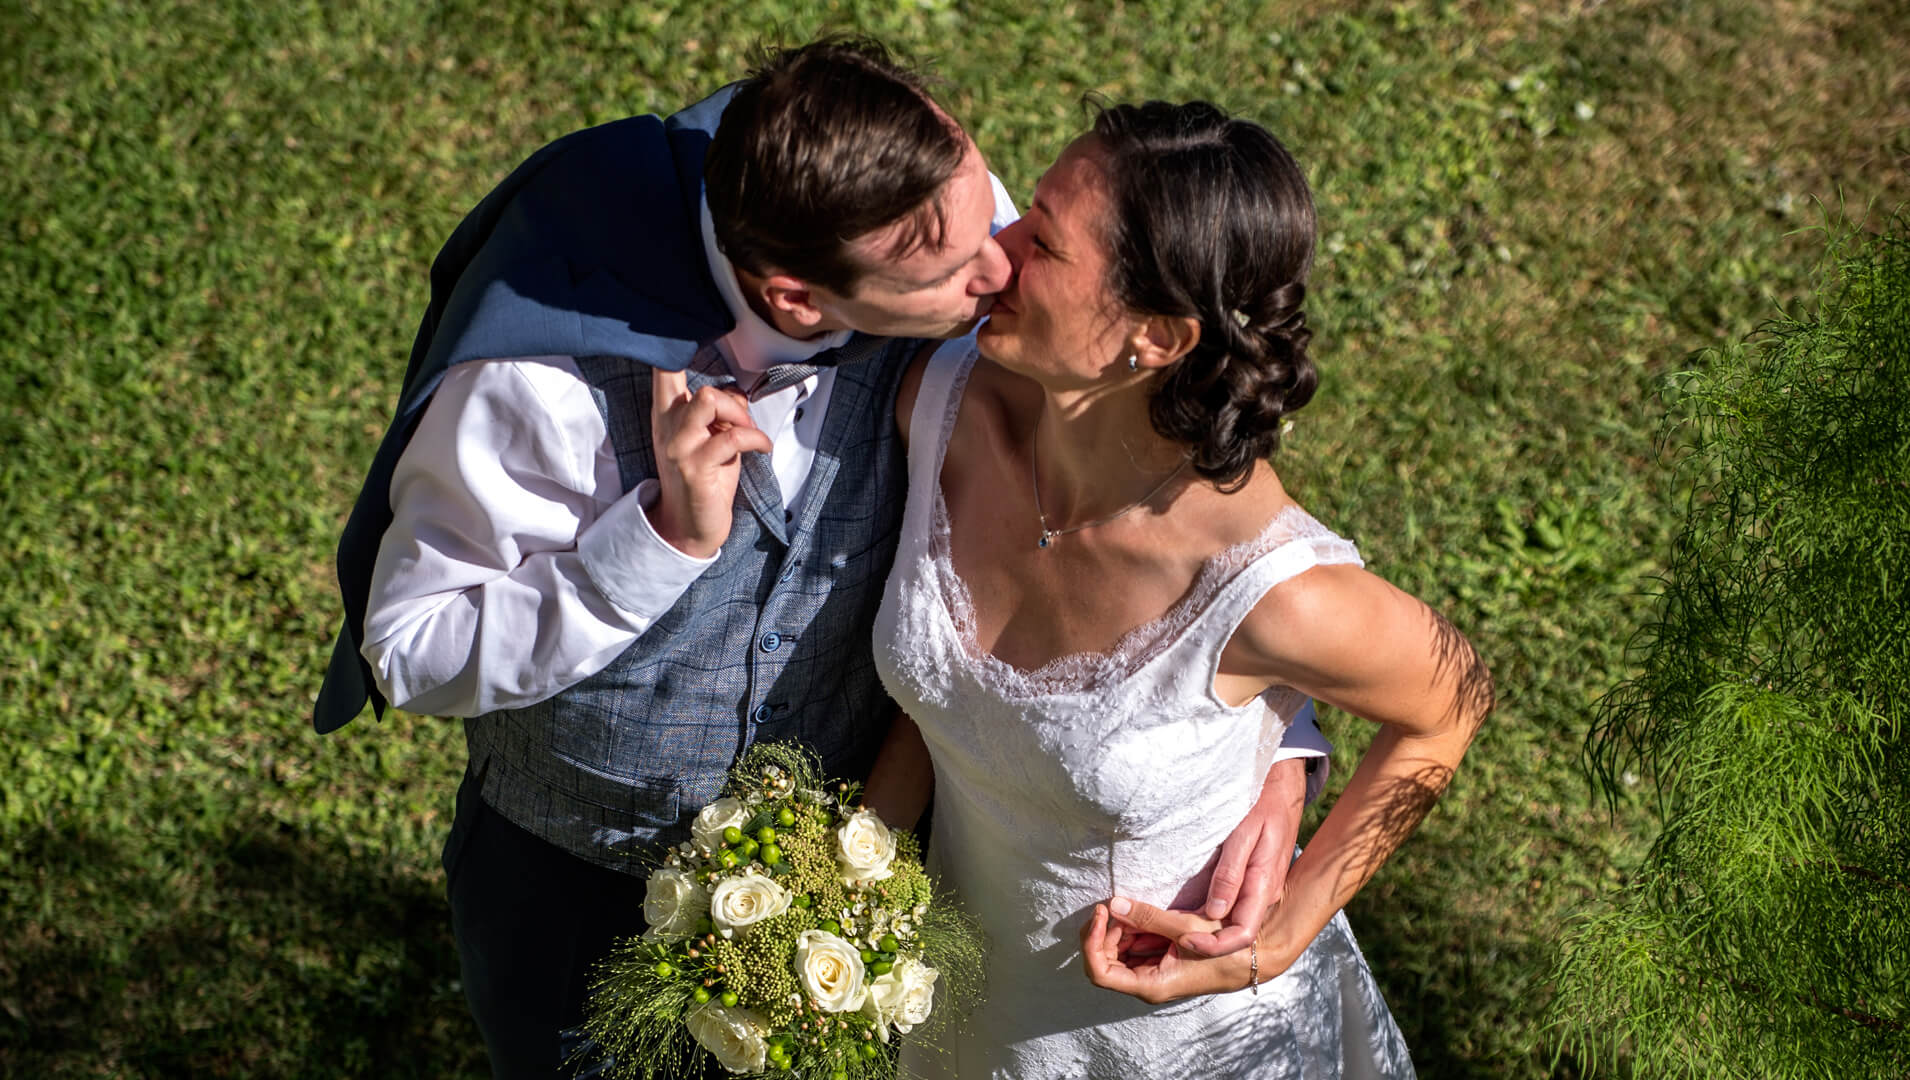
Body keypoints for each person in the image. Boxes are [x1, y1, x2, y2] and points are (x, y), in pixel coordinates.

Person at [309, 39, 1329, 1078]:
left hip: (871, 874)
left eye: (997, 219)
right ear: (798, 298)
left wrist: (1264, 737)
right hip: (580, 895)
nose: (1001, 270)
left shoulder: (937, 228)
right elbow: (411, 650)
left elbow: (1142, 476)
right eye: (956, 271)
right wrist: (656, 542)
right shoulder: (542, 386)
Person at [867, 100, 1494, 1077]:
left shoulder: (1264, 591)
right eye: (1027, 205)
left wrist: (1280, 932)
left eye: (1045, 242)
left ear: (1153, 340)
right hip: (966, 1020)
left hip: (1179, 1043)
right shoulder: (939, 402)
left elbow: (1451, 704)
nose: (1001, 244)